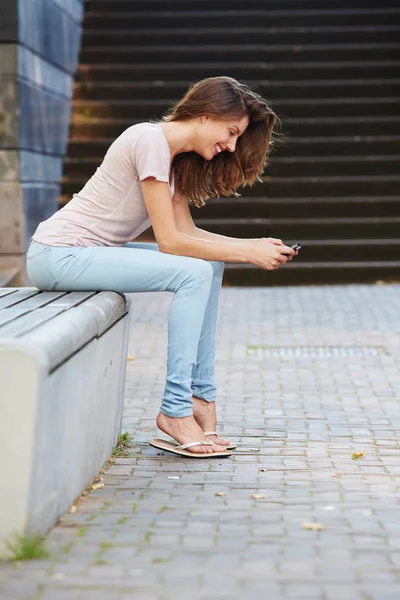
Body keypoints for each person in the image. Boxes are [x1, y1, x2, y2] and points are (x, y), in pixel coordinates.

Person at [26, 76, 297, 458]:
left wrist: (252, 246)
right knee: (195, 271)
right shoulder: (149, 141)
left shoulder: (169, 157)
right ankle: (174, 410)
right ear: (206, 116)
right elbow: (170, 243)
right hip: (57, 255)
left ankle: (201, 398)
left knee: (209, 265)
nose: (232, 145)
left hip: (81, 255)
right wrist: (249, 253)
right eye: (231, 132)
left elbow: (186, 234)